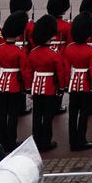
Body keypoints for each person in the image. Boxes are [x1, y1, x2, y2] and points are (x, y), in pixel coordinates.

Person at [26, 15, 63, 152]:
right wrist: (61, 87)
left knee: (37, 115)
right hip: (49, 88)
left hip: (36, 87)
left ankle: (36, 140)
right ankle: (46, 142)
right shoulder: (54, 53)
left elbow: (29, 72)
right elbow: (59, 72)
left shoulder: (33, 52)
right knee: (48, 116)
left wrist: (29, 88)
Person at [0, 12, 29, 149]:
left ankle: (1, 140)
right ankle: (11, 141)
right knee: (13, 114)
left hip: (1, 85)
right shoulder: (19, 50)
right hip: (14, 86)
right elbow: (24, 71)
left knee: (2, 113)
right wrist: (26, 86)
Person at [63, 15, 92, 151]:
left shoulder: (69, 48)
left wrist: (67, 84)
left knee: (73, 113)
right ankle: (81, 140)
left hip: (73, 84)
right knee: (84, 114)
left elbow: (66, 69)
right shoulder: (91, 50)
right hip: (86, 84)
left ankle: (73, 141)